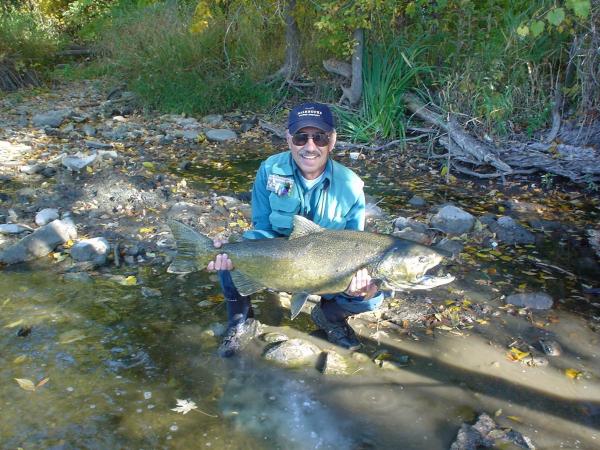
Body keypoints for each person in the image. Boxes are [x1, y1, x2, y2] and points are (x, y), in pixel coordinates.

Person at [207, 102, 384, 357]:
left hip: (326, 271)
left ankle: (330, 317)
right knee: (231, 255)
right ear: (289, 139)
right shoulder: (270, 170)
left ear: (332, 141)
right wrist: (235, 250)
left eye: (319, 138)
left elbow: (357, 245)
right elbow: (262, 227)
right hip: (279, 259)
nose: (310, 147)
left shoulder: (351, 186)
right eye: (301, 137)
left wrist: (362, 283)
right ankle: (241, 320)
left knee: (373, 292)